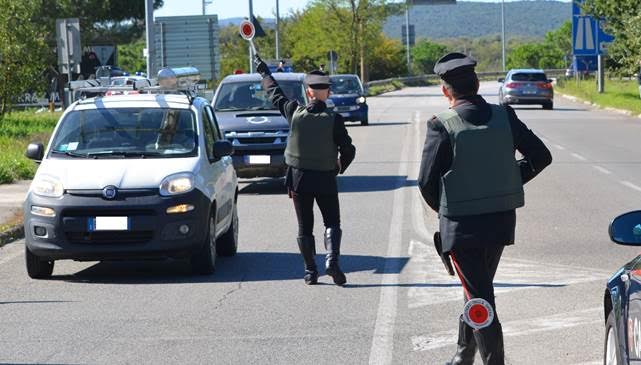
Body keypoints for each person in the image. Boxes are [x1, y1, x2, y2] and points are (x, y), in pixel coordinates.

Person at [417, 53, 552, 365]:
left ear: (445, 90)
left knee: (479, 297)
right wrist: (506, 180)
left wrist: (450, 204)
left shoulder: (441, 125)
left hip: (462, 228)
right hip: (501, 223)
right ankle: (463, 355)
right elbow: (540, 156)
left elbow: (426, 182)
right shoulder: (504, 116)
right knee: (477, 289)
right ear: (477, 84)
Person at [254, 55, 356, 286]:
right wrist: (340, 166)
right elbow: (348, 149)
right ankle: (332, 260)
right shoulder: (335, 119)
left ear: (308, 92)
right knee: (332, 222)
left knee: (304, 226)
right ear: (327, 92)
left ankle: (310, 272)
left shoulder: (294, 113)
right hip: (326, 178)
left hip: (299, 179)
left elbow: (275, 94)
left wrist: (264, 73)